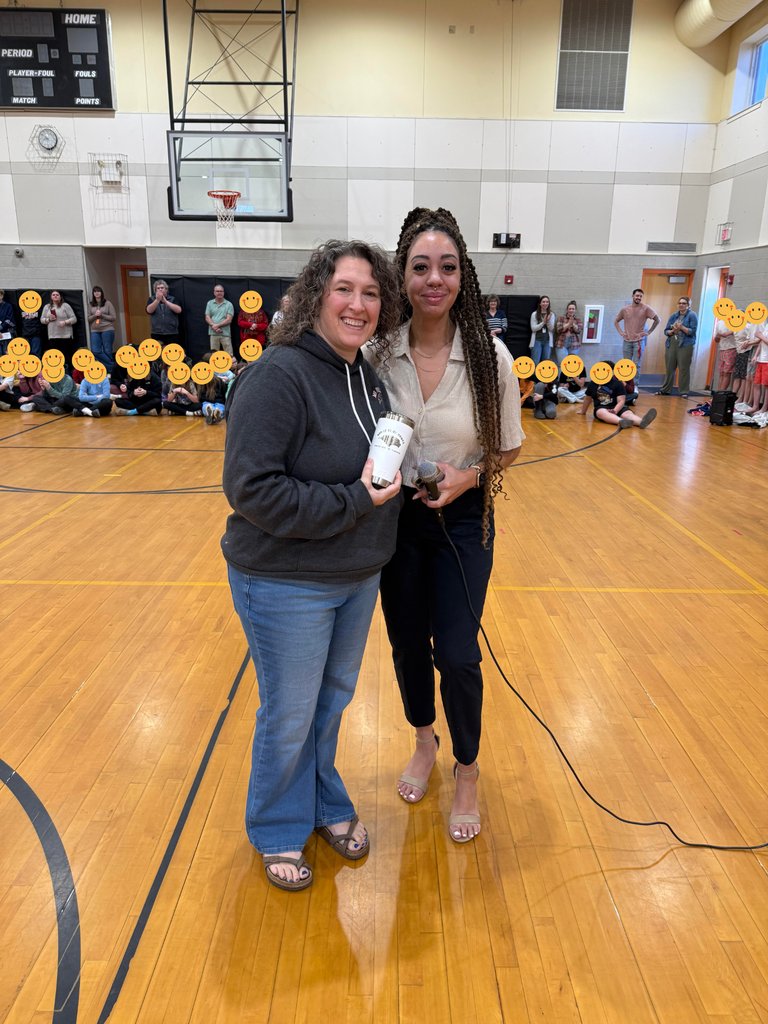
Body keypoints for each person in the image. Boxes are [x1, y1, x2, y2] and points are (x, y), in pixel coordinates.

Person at [222, 239, 402, 891]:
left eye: (371, 292)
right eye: (344, 289)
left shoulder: (365, 375)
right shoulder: (278, 374)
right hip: (286, 581)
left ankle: (323, 805)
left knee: (328, 706)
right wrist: (354, 500)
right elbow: (252, 490)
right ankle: (276, 826)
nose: (358, 304)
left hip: (355, 576)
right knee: (291, 711)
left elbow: (377, 463)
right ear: (315, 296)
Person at [365, 207, 524, 844]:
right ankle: (424, 740)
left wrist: (470, 475)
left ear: (464, 275)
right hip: (395, 523)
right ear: (402, 276)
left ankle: (466, 769)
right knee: (407, 645)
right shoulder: (376, 355)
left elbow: (509, 446)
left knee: (456, 653)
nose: (435, 278)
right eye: (421, 266)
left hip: (463, 527)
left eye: (448, 266)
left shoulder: (492, 359)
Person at [577, 361, 657, 428]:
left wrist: (616, 410)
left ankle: (641, 422)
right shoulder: (592, 384)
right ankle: (621, 422)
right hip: (602, 407)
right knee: (601, 413)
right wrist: (583, 411)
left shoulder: (618, 384)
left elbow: (621, 401)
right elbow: (587, 398)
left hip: (619, 407)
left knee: (627, 413)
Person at [657, 296, 698, 398]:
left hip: (685, 343)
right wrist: (672, 331)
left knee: (684, 368)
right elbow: (666, 331)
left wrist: (681, 327)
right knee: (669, 367)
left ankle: (683, 391)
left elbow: (692, 331)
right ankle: (665, 390)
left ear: (688, 305)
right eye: (679, 303)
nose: (681, 305)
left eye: (684, 303)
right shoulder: (674, 315)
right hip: (672, 343)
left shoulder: (692, 315)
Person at [615, 289, 660, 381]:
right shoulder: (625, 309)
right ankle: (626, 385)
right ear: (633, 296)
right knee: (626, 364)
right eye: (637, 296)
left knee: (636, 364)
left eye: (640, 296)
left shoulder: (646, 308)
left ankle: (634, 385)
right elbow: (616, 321)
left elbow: (657, 319)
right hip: (626, 341)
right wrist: (621, 332)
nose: (638, 298)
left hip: (638, 341)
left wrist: (649, 332)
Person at [41, 291, 77, 368]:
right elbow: (42, 320)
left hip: (65, 335)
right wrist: (49, 320)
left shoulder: (65, 306)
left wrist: (65, 322)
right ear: (51, 297)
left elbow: (74, 319)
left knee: (65, 356)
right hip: (53, 335)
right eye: (53, 295)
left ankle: (67, 373)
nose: (55, 296)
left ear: (60, 297)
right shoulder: (47, 307)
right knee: (56, 357)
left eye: (57, 295)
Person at [87, 286, 117, 373]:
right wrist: (95, 315)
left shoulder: (108, 303)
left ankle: (109, 371)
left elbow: (113, 317)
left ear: (101, 293)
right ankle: (113, 366)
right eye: (95, 291)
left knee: (107, 350)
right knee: (95, 350)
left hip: (107, 329)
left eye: (98, 291)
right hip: (95, 330)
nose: (97, 293)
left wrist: (102, 315)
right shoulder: (90, 304)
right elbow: (88, 319)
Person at [146, 281, 182, 347]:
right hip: (156, 332)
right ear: (155, 290)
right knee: (157, 354)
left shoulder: (173, 299)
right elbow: (149, 311)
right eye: (158, 288)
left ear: (166, 289)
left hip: (171, 332)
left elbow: (179, 310)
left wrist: (165, 301)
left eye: (162, 288)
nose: (160, 290)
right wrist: (157, 300)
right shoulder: (151, 299)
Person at [205, 284, 235, 355]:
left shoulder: (229, 304)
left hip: (225, 333)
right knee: (214, 355)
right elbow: (207, 317)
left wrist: (216, 326)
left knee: (229, 354)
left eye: (221, 291)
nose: (219, 293)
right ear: (214, 293)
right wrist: (214, 327)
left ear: (224, 293)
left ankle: (231, 366)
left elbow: (229, 320)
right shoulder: (210, 303)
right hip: (213, 333)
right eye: (217, 291)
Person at [746, 325, 768, 415]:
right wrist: (755, 356)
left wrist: (761, 336)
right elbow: (761, 343)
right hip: (761, 359)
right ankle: (755, 406)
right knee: (756, 383)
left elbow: (762, 339)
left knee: (767, 386)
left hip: (767, 360)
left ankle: (764, 408)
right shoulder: (767, 326)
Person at [554, 301, 582, 369]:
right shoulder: (561, 318)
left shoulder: (578, 319)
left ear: (575, 310)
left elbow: (579, 331)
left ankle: (569, 379)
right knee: (563, 364)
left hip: (574, 344)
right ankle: (561, 379)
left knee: (571, 366)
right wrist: (567, 325)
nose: (571, 310)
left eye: (573, 309)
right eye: (569, 309)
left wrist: (573, 324)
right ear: (567, 309)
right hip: (561, 343)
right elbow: (558, 330)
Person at [530, 296, 554, 363]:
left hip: (547, 341)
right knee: (535, 361)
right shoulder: (534, 314)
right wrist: (543, 322)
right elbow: (533, 328)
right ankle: (534, 374)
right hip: (537, 340)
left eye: (547, 302)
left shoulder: (551, 314)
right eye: (543, 302)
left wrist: (548, 321)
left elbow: (551, 329)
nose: (545, 303)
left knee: (545, 362)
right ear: (540, 303)